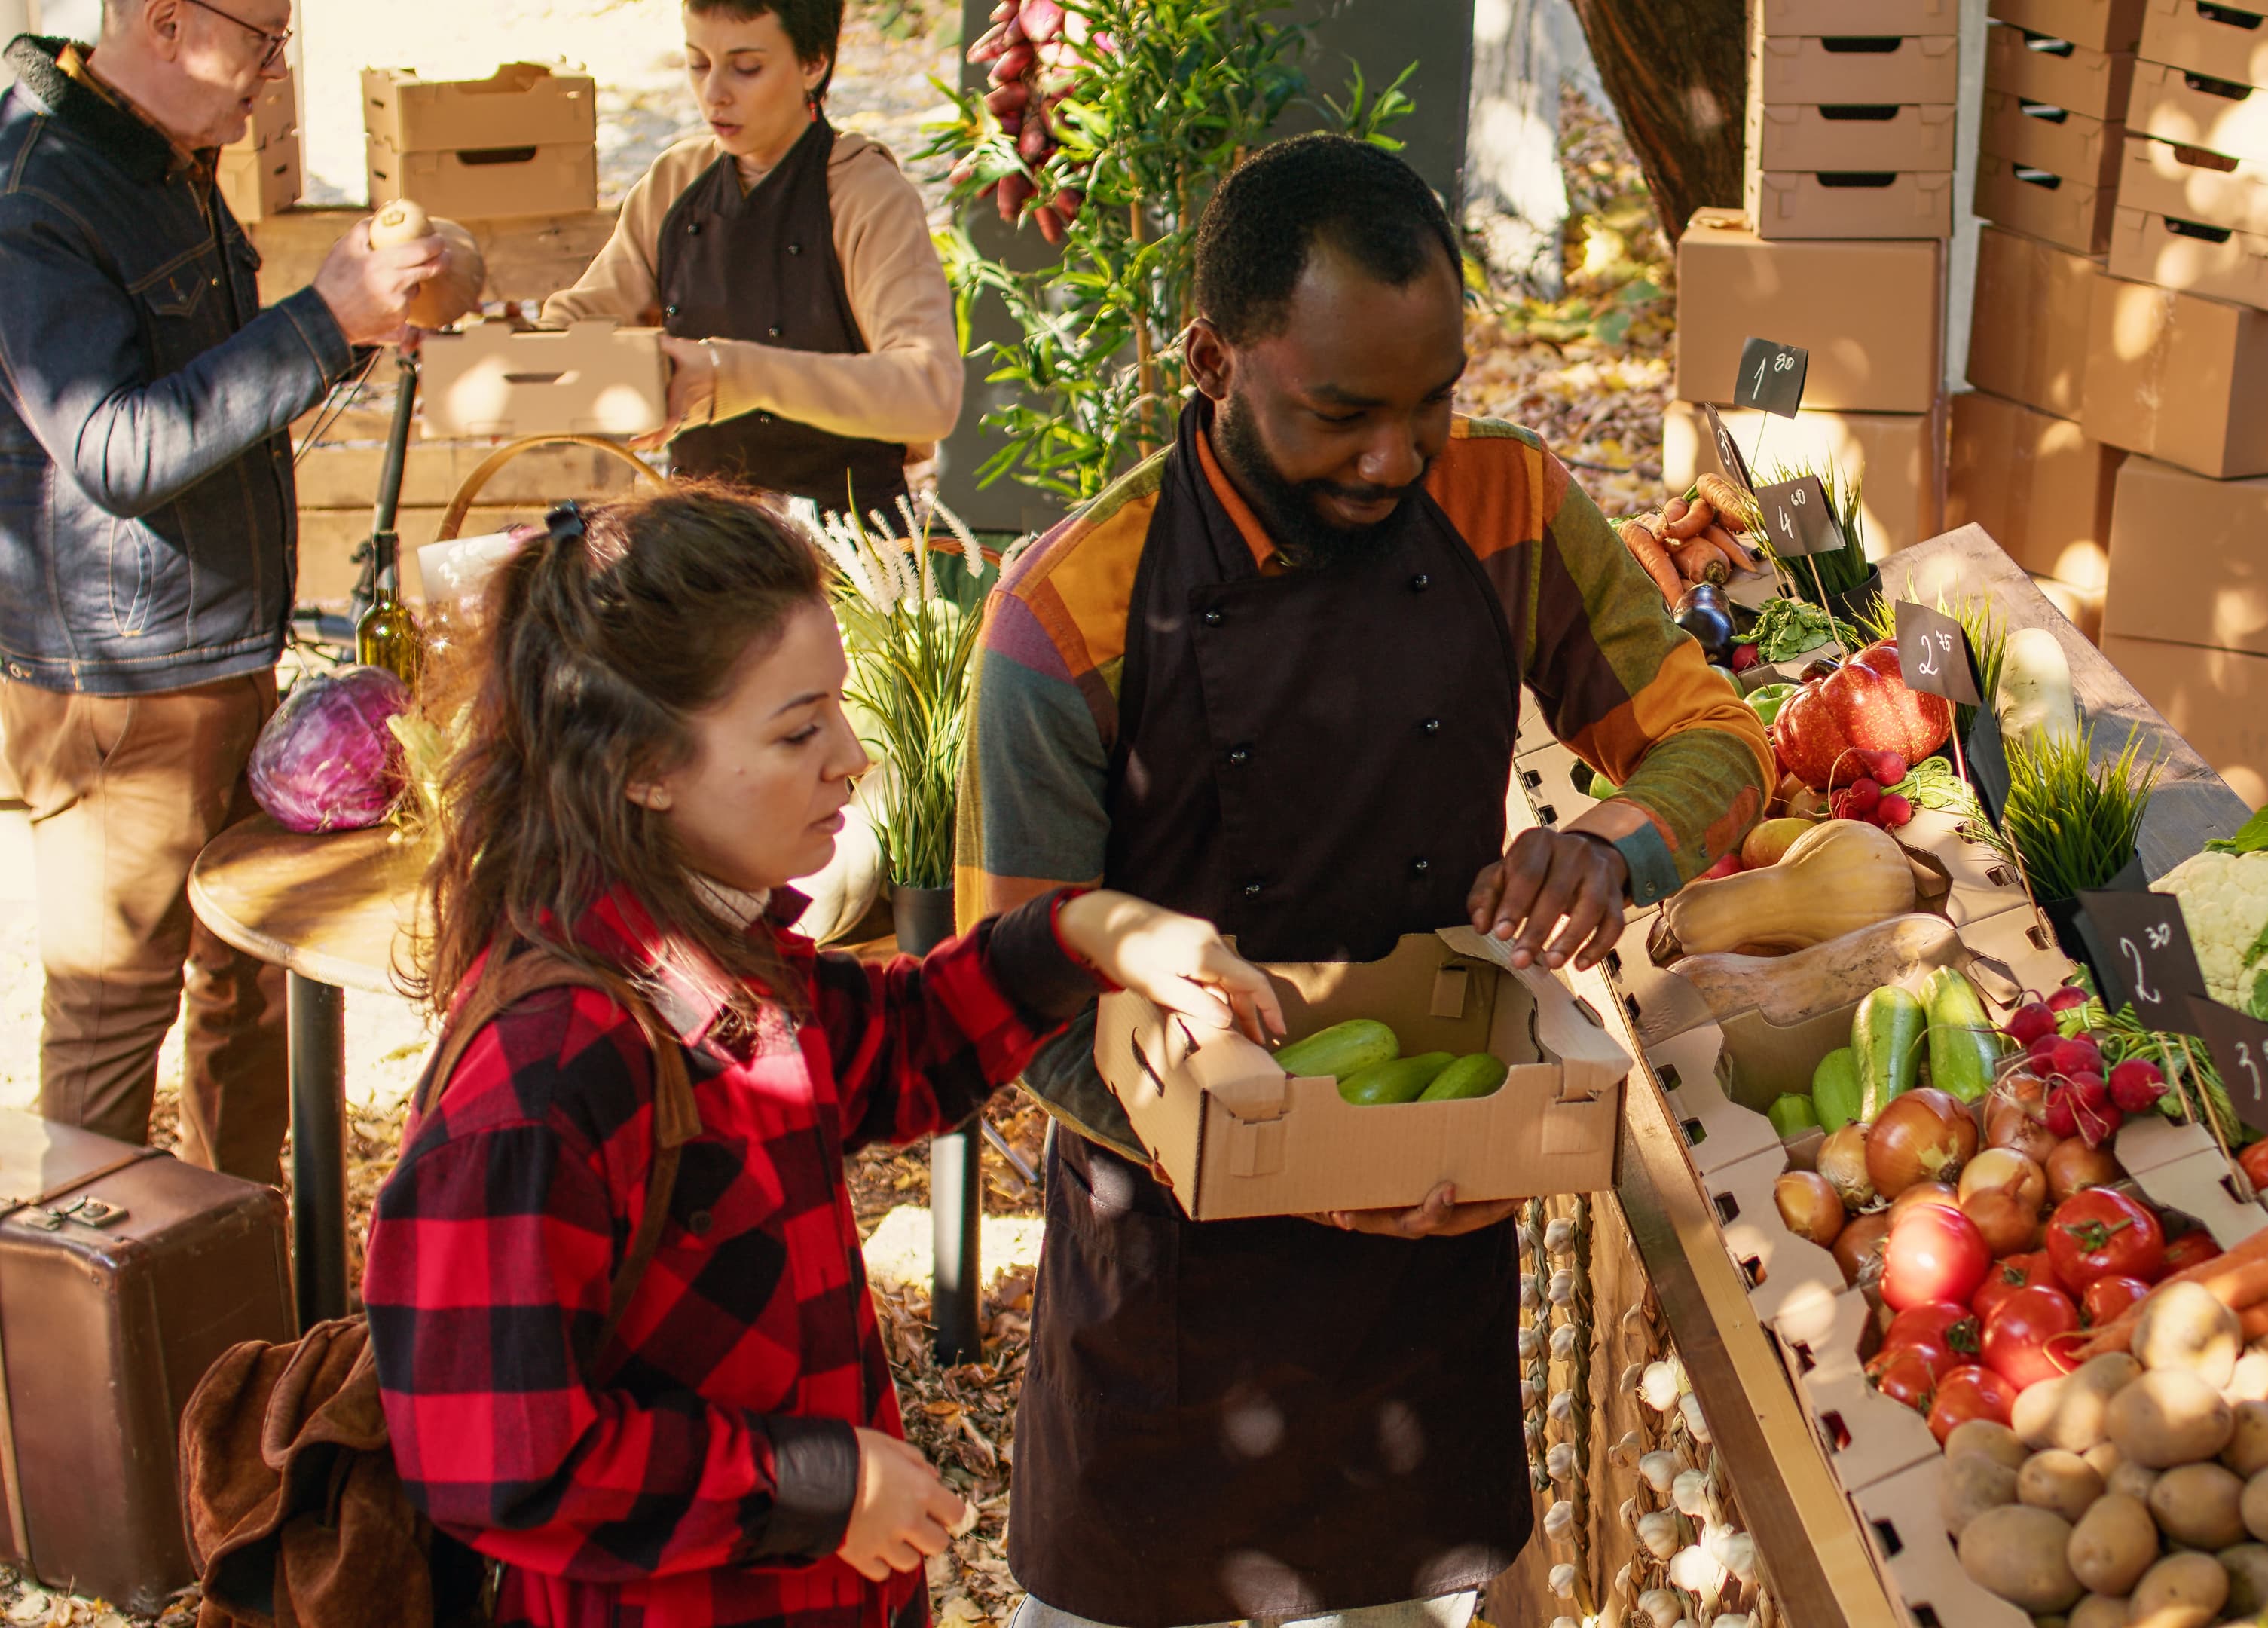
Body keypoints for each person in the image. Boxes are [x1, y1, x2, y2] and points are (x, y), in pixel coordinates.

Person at [957, 133, 1774, 1628]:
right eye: (1343, 413)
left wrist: (1618, 846)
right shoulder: (1063, 614)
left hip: (1429, 1272)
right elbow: (1012, 998)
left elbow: (1717, 738)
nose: (1398, 459)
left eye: (1432, 400)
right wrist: (1278, 1152)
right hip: (1171, 1313)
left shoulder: (1505, 500)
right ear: (1212, 359)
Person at [362, 488, 1282, 1628]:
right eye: (799, 730)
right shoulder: (547, 1072)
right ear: (643, 764)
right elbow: (495, 1457)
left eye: (837, 711)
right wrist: (816, 1485)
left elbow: (893, 1046)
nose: (850, 756)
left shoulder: (707, 953)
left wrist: (1089, 933)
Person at [0, 3, 441, 1183]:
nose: (276, 73)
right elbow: (116, 448)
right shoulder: (39, 191)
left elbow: (197, 383)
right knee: (111, 1026)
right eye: (265, 36)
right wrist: (321, 318)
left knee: (248, 988)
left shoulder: (160, 153)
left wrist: (351, 334)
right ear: (165, 23)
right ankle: (81, 1343)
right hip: (124, 688)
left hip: (220, 649)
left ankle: (236, 1311)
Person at [542, 0, 962, 522]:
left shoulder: (867, 194)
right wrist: (519, 369)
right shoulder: (676, 181)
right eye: (698, 63)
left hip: (851, 555)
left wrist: (734, 374)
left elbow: (930, 392)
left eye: (746, 68)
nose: (714, 92)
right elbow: (581, 319)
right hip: (699, 542)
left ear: (815, 64)